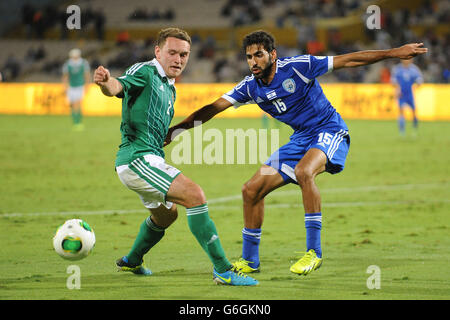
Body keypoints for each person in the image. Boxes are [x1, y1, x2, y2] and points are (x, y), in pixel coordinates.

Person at [165, 30, 428, 276]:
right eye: (248, 56)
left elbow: (348, 60)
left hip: (329, 130)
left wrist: (394, 53)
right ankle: (249, 260)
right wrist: (177, 130)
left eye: (259, 54)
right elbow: (212, 108)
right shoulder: (249, 87)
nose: (253, 61)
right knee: (251, 189)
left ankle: (314, 252)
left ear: (273, 54)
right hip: (300, 140)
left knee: (304, 171)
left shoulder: (298, 67)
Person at [93, 27, 257, 286]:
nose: (178, 59)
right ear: (158, 51)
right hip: (137, 159)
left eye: (184, 54)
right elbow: (118, 87)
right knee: (195, 196)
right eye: (172, 53)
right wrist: (105, 83)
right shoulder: (145, 72)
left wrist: (172, 134)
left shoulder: (169, 88)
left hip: (149, 158)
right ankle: (223, 270)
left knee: (167, 215)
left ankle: (132, 260)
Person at [391, 58, 423, 136]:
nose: (407, 60)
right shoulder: (397, 69)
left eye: (408, 59)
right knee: (401, 111)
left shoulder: (414, 69)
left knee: (414, 111)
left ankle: (414, 129)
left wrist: (416, 86)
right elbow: (393, 81)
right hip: (401, 94)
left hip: (410, 94)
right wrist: (397, 89)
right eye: (405, 59)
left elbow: (420, 80)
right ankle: (402, 132)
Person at [62, 48, 90, 131]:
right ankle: (75, 122)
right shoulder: (68, 64)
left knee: (78, 104)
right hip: (71, 87)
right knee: (73, 105)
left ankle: (78, 122)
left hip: (80, 86)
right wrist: (64, 86)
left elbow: (87, 75)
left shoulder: (83, 63)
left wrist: (87, 86)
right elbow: (65, 76)